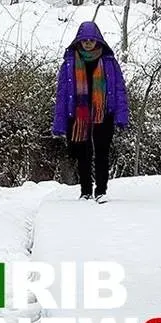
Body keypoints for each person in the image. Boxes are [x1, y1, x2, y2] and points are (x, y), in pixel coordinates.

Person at [52, 22, 129, 202]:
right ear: (79, 41)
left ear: (98, 41)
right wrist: (59, 123)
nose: (88, 43)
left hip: (104, 113)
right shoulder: (69, 63)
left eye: (91, 40)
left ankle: (101, 190)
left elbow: (119, 89)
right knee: (82, 154)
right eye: (84, 40)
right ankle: (85, 191)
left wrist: (122, 115)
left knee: (102, 152)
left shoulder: (109, 62)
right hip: (78, 115)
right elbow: (62, 93)